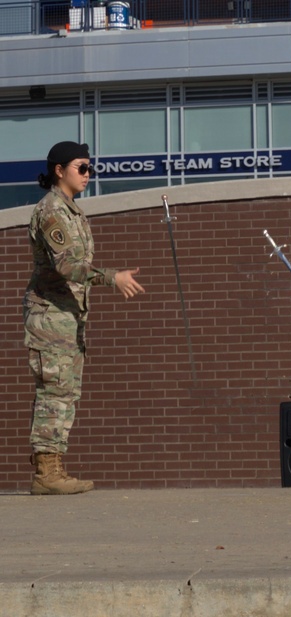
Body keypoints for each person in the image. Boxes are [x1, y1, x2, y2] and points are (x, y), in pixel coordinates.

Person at [25, 141, 145, 495]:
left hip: (67, 317)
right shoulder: (51, 211)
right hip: (50, 316)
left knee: (65, 393)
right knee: (54, 392)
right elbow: (66, 265)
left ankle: (54, 468)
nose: (89, 175)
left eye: (91, 168)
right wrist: (112, 277)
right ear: (59, 170)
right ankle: (46, 472)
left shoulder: (71, 210)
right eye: (82, 167)